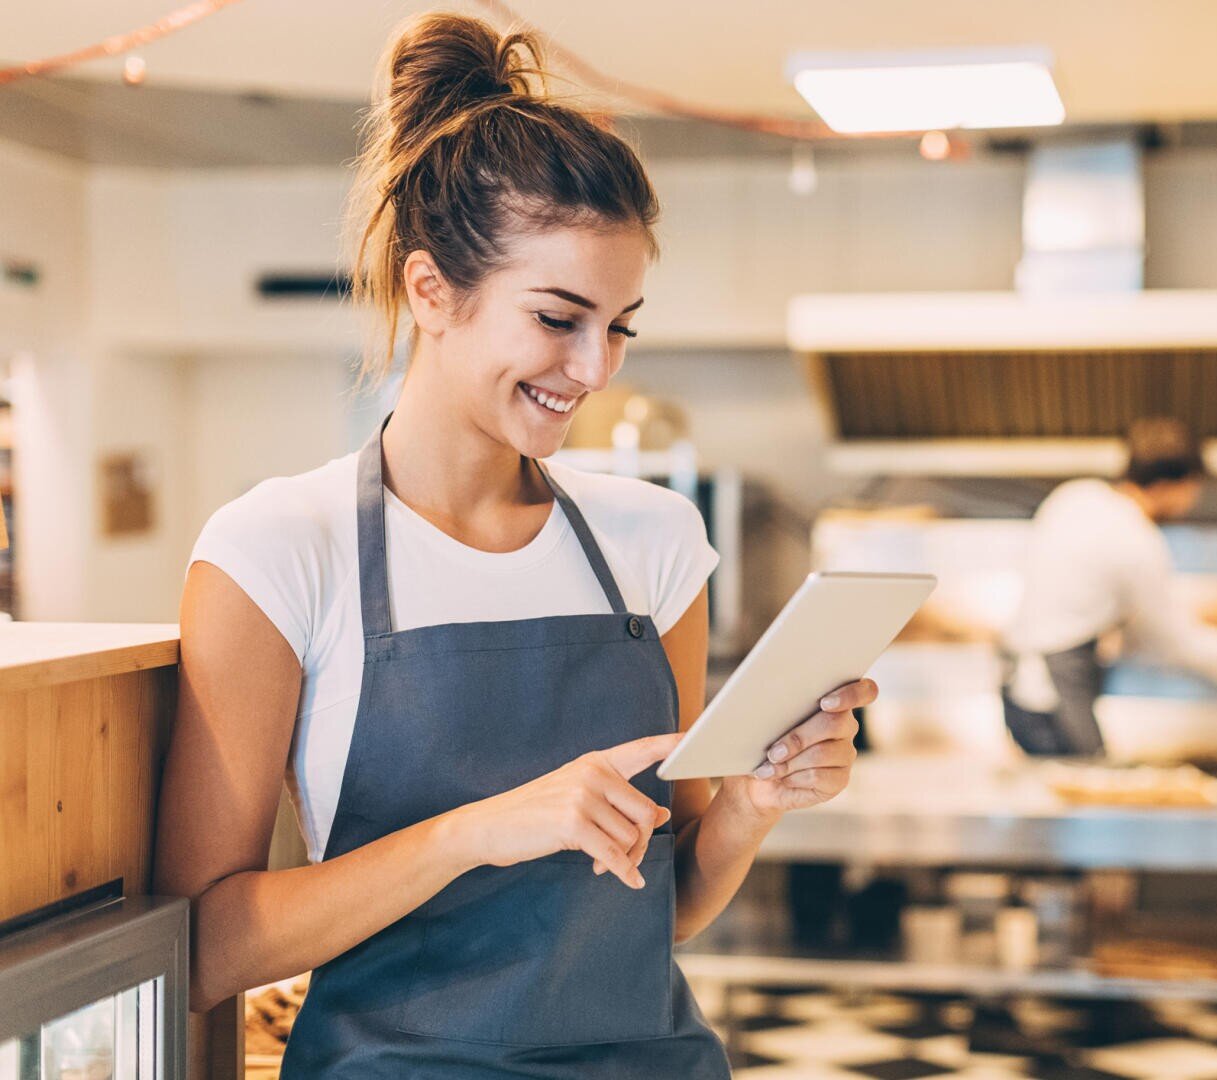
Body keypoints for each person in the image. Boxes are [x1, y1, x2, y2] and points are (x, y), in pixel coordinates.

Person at [152, 14, 874, 1077]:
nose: (596, 368)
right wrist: (475, 832)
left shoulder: (655, 543)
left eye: (620, 325)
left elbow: (661, 906)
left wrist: (752, 806)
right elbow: (203, 951)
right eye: (557, 318)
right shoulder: (277, 552)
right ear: (431, 290)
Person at [998, 418, 1217, 757]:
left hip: (1015, 685)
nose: (1191, 501)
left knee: (1072, 780)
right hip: (1056, 693)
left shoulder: (1075, 496)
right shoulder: (1136, 539)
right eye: (1193, 489)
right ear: (1172, 485)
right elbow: (1176, 643)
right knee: (1090, 784)